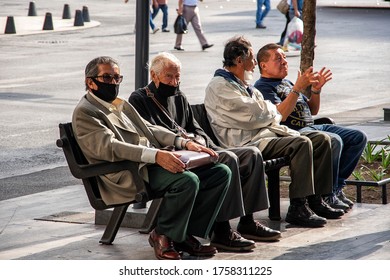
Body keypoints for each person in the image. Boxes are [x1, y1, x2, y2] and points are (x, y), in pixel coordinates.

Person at [73, 56, 232, 260]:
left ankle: (183, 235)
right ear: (90, 81)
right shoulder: (86, 112)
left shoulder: (118, 104)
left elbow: (149, 129)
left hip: (145, 164)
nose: (113, 83)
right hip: (124, 173)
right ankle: (163, 235)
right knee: (186, 180)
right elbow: (110, 147)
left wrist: (184, 142)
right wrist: (156, 156)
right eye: (107, 77)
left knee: (220, 172)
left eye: (116, 78)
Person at [129, 52, 282, 252]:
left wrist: (200, 140)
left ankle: (247, 221)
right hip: (177, 157)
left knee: (252, 154)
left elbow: (195, 128)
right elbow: (150, 135)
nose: (174, 82)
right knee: (229, 160)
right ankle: (222, 229)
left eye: (177, 77)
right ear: (154, 75)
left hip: (199, 149)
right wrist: (187, 144)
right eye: (169, 76)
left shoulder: (179, 96)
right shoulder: (139, 98)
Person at [204, 36, 345, 228]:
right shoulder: (220, 85)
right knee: (301, 143)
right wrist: (271, 111)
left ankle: (316, 200)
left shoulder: (244, 86)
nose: (254, 65)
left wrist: (269, 112)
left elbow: (268, 111)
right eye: (252, 59)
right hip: (246, 142)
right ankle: (298, 206)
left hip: (265, 134)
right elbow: (256, 113)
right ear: (239, 60)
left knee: (321, 139)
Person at [254, 43, 367, 210]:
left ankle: (336, 188)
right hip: (293, 133)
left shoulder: (287, 82)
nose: (284, 62)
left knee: (358, 137)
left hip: (314, 127)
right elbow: (281, 115)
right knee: (334, 140)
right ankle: (326, 194)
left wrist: (315, 90)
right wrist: (297, 89)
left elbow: (312, 110)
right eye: (278, 59)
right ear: (263, 65)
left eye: (284, 58)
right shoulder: (263, 87)